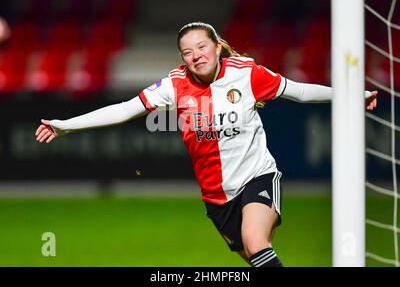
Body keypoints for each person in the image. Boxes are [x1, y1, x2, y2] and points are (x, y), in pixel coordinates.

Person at [35, 22, 378, 267]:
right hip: (217, 197)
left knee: (257, 243)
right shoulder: (173, 84)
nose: (196, 56)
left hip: (257, 177)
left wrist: (353, 96)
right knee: (260, 260)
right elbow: (126, 109)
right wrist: (67, 126)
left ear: (216, 46)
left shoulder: (247, 73)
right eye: (188, 52)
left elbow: (300, 91)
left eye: (201, 47)